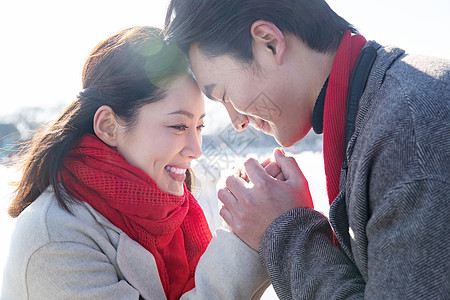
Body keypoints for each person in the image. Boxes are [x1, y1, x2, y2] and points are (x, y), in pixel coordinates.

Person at [164, 0, 450, 298]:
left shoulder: (411, 136)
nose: (237, 122)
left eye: (224, 94)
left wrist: (284, 228)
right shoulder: (384, 110)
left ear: (270, 43)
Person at [2, 26, 270, 299]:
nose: (196, 149)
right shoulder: (56, 238)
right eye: (179, 126)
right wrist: (246, 243)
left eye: (199, 127)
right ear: (108, 126)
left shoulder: (175, 212)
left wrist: (250, 221)